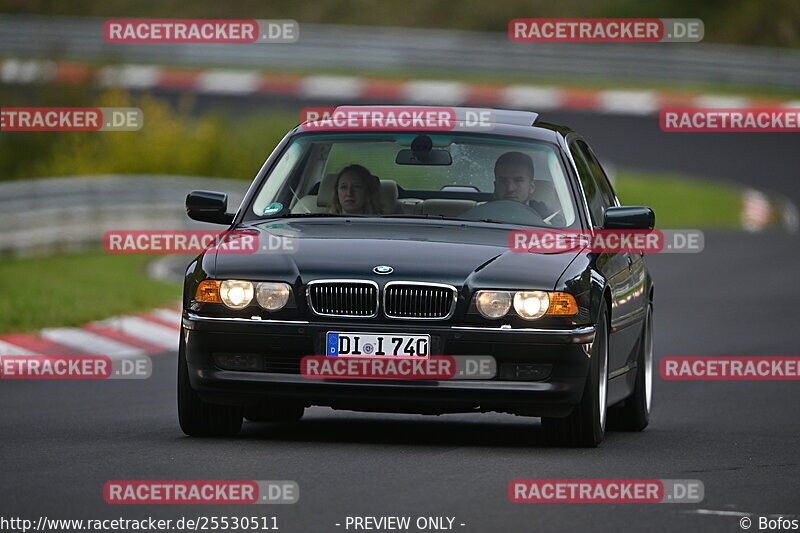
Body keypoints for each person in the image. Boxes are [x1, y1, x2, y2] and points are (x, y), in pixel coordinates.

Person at [492, 151, 564, 225]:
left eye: (518, 180)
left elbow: (560, 224)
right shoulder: (482, 214)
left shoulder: (546, 218)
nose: (510, 188)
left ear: (532, 187)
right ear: (495, 186)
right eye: (503, 181)